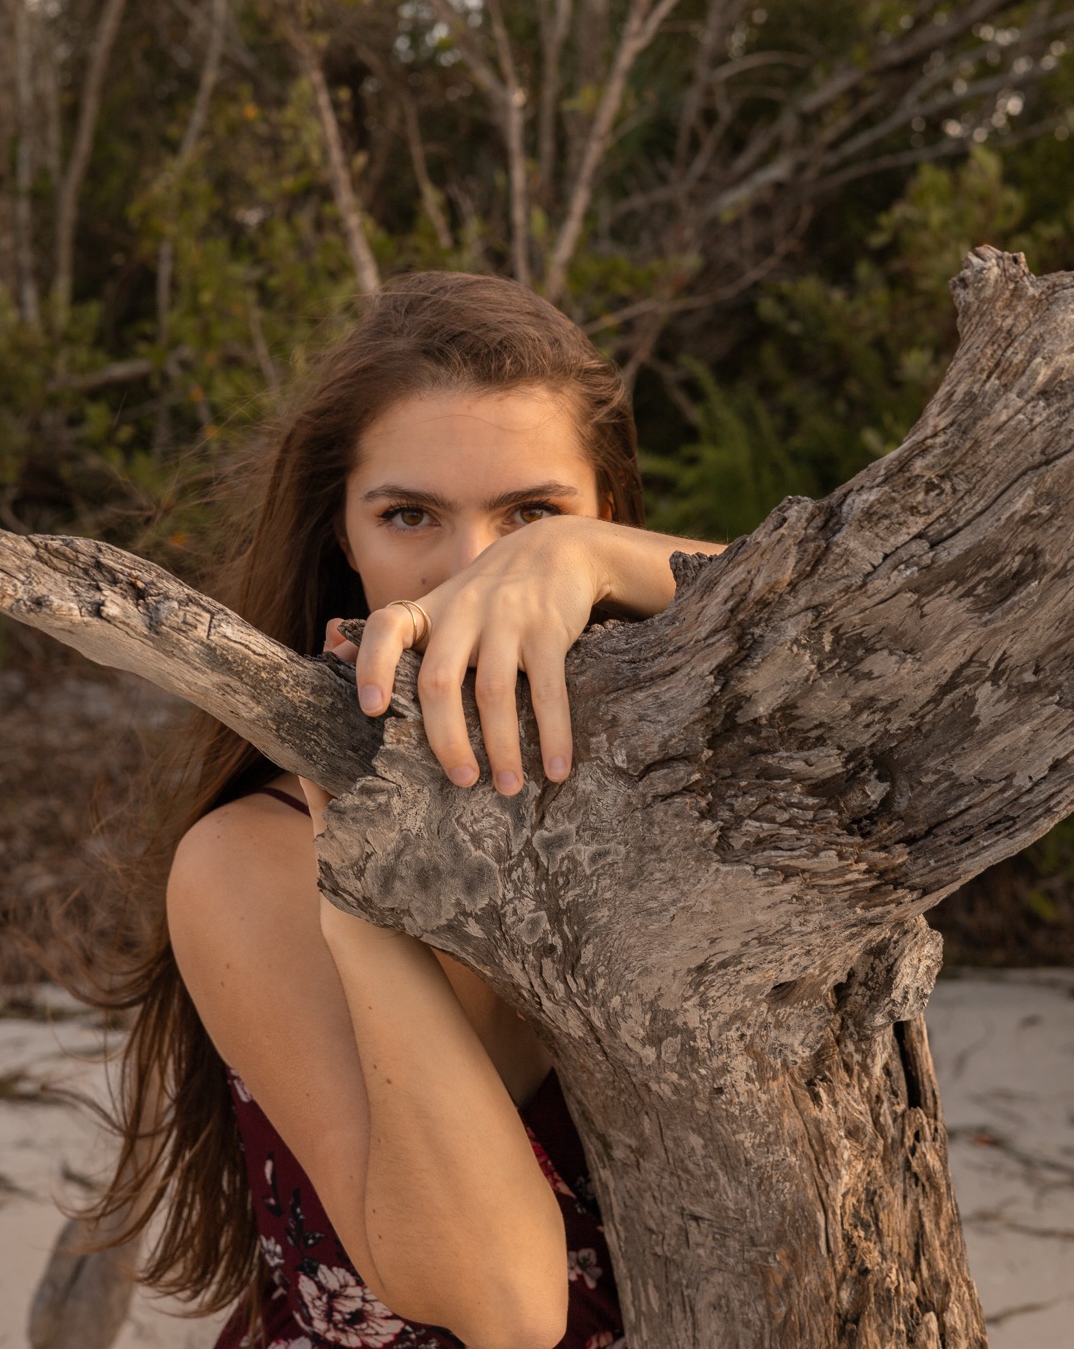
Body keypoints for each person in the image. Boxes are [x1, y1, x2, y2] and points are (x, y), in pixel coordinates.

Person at [86, 272, 722, 1349]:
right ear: (345, 537)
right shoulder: (253, 859)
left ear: (612, 514)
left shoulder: (665, 761)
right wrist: (360, 886)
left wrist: (587, 559)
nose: (475, 574)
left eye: (532, 515)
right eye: (410, 516)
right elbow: (507, 1308)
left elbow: (864, 608)